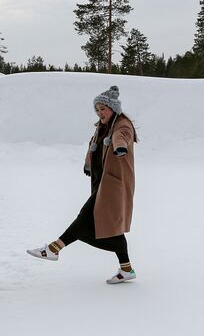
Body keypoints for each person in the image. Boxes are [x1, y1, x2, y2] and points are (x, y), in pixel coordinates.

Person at [26, 86, 139, 284]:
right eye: (97, 109)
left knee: (85, 216)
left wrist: (120, 147)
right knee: (105, 229)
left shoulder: (122, 124)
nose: (100, 113)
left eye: (103, 109)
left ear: (113, 108)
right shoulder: (101, 127)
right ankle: (126, 269)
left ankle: (54, 249)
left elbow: (122, 137)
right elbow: (93, 145)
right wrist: (88, 163)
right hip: (101, 183)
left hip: (114, 184)